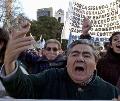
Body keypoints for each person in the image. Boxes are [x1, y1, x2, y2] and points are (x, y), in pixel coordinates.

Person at [0, 22, 120, 99]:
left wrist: (85, 34)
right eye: (75, 54)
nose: (80, 58)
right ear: (66, 62)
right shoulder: (50, 77)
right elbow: (22, 89)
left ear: (95, 64)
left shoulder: (111, 93)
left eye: (87, 55)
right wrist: (9, 62)